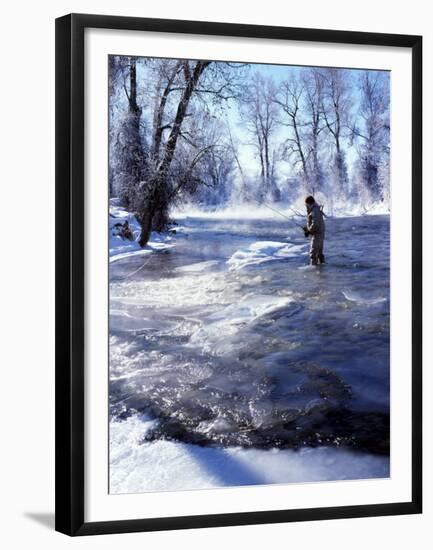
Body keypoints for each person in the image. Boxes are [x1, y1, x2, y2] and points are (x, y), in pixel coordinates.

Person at [303, 195, 325, 265]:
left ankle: (313, 271)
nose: (306, 206)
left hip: (317, 234)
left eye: (306, 204)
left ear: (309, 203)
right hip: (319, 233)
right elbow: (312, 222)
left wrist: (309, 231)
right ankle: (321, 270)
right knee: (319, 254)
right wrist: (307, 228)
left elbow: (315, 224)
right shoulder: (314, 209)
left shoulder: (315, 210)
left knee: (313, 254)